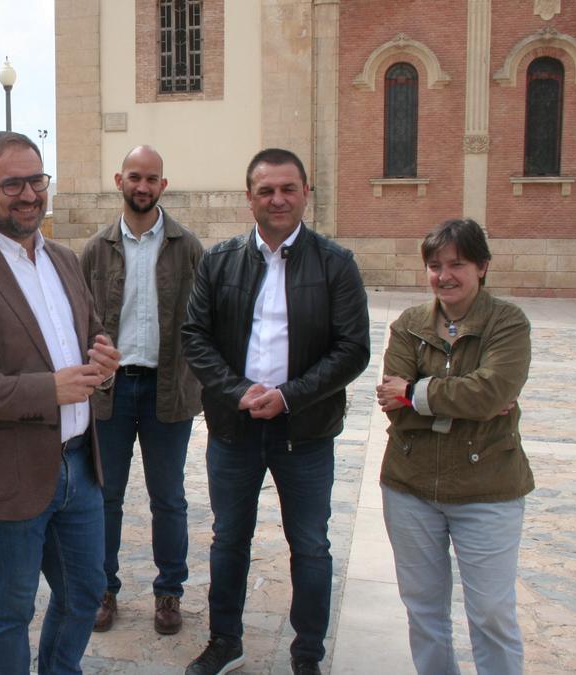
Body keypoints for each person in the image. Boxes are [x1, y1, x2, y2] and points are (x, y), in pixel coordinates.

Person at [0, 131, 122, 674]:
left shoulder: (63, 259)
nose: (29, 194)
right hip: (5, 474)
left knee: (85, 593)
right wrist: (47, 390)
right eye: (12, 183)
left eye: (37, 180)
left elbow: (90, 333)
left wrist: (103, 359)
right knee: (12, 609)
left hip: (80, 464)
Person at [181, 148, 370, 675]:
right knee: (228, 539)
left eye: (288, 188)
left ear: (306, 193)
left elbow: (352, 348)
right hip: (233, 430)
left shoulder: (336, 264)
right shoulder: (218, 262)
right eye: (266, 190)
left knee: (310, 546)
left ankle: (307, 654)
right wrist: (237, 390)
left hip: (305, 432)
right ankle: (225, 642)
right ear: (250, 199)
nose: (277, 199)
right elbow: (195, 337)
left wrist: (289, 395)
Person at [375, 218, 532, 675]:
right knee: (424, 612)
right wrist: (465, 399)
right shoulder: (409, 324)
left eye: (456, 264)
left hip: (488, 490)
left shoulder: (507, 323)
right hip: (409, 486)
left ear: (482, 266)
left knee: (491, 615)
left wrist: (417, 392)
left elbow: (492, 392)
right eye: (434, 265)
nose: (444, 275)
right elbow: (392, 403)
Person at [80, 145, 203, 635]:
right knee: (104, 497)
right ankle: (102, 589)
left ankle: (169, 593)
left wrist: (198, 379)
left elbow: (202, 322)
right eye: (135, 176)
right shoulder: (96, 248)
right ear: (119, 180)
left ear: (163, 186)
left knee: (168, 498)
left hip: (167, 392)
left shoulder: (187, 246)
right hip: (110, 392)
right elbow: (81, 320)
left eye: (152, 178)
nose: (143, 186)